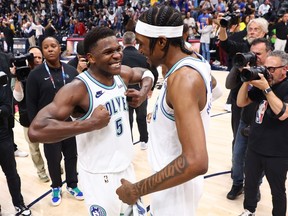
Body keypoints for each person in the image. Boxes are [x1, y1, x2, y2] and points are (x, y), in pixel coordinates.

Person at [28, 27, 154, 215]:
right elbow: (36, 130)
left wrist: (143, 93)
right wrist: (90, 124)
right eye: (108, 52)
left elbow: (146, 73)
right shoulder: (78, 88)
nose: (117, 55)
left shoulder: (120, 75)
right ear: (91, 58)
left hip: (127, 168)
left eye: (118, 49)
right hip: (99, 177)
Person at [116, 5, 212, 215]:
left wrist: (136, 190)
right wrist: (172, 114)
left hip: (176, 187)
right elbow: (213, 88)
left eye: (141, 43)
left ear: (161, 42)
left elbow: (196, 161)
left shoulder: (184, 79)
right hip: (175, 181)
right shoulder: (197, 61)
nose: (139, 50)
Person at [26, 37, 83, 206]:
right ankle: (56, 186)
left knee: (71, 156)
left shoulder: (71, 71)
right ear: (43, 51)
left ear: (60, 48)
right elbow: (31, 103)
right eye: (46, 47)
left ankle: (72, 184)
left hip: (69, 123)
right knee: (53, 158)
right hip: (48, 126)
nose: (50, 49)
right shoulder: (35, 75)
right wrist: (36, 128)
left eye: (53, 46)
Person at [237, 50, 288, 216]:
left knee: (277, 191)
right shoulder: (264, 84)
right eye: (266, 68)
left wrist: (266, 89)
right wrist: (247, 79)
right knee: (250, 184)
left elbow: (282, 114)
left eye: (272, 69)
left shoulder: (282, 87)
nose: (267, 72)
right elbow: (241, 102)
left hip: (278, 152)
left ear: (285, 69)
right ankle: (249, 210)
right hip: (255, 146)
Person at [225, 38, 272, 200]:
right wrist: (239, 68)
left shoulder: (273, 71)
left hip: (265, 124)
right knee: (237, 156)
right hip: (245, 119)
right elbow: (229, 85)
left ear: (269, 53)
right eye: (252, 53)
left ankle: (253, 187)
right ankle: (237, 183)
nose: (255, 57)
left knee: (257, 161)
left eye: (258, 54)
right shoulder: (246, 68)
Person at [219, 17, 269, 154]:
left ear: (264, 32)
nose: (252, 32)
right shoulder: (242, 47)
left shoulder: (270, 49)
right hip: (238, 97)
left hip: (260, 98)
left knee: (260, 134)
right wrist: (223, 27)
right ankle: (236, 165)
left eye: (256, 29)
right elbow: (224, 43)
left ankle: (253, 166)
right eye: (250, 29)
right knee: (238, 132)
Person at [12, 46, 49, 182]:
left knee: (51, 145)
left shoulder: (46, 72)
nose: (37, 60)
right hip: (28, 118)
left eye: (40, 57)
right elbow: (18, 97)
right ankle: (41, 171)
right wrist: (16, 78)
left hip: (46, 117)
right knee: (34, 148)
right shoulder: (21, 75)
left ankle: (53, 166)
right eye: (34, 57)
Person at [0, 72, 31, 216]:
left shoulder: (1, 80)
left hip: (3, 137)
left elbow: (7, 108)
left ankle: (19, 204)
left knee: (11, 173)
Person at [122, 31, 158, 150]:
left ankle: (129, 142)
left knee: (128, 119)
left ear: (123, 42)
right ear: (134, 42)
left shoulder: (119, 56)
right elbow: (154, 72)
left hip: (124, 91)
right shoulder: (142, 56)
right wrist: (150, 89)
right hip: (141, 89)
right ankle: (144, 140)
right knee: (141, 116)